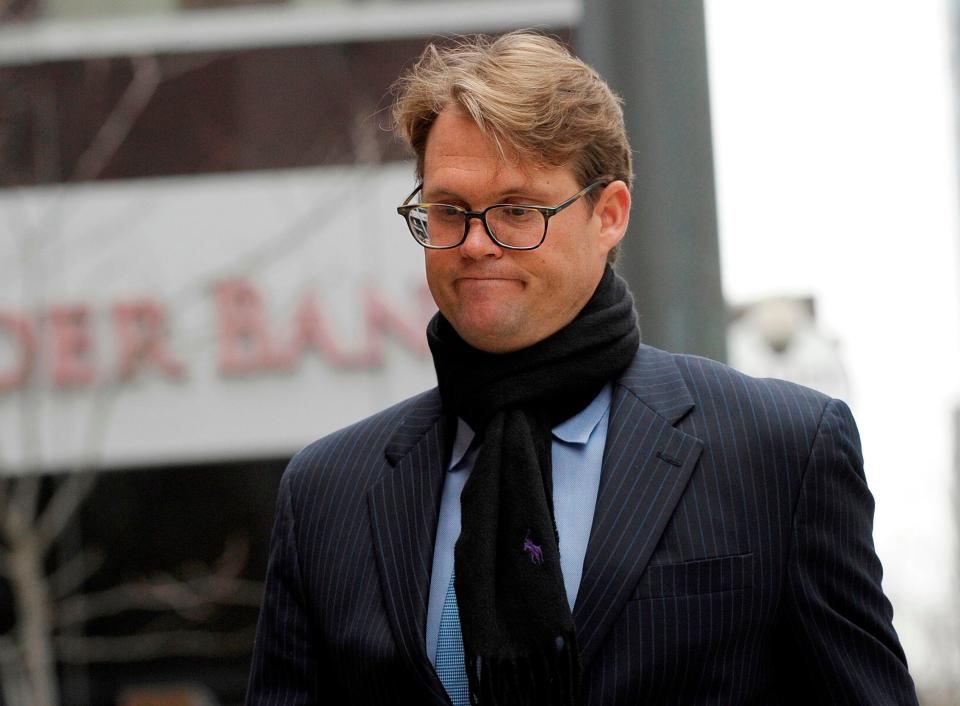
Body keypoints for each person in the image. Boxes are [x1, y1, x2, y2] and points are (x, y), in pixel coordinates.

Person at [247, 32, 918, 705]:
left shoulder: (780, 450)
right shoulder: (327, 494)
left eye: (517, 210)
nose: (476, 244)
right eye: (449, 211)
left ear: (610, 215)